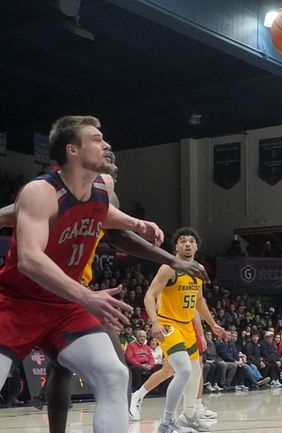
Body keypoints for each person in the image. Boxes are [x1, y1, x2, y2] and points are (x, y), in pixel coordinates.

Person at [0, 116, 164, 433]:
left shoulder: (103, 187)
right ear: (72, 150)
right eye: (97, 139)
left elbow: (103, 211)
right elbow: (29, 259)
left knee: (114, 375)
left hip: (63, 306)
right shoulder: (40, 192)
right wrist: (86, 296)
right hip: (16, 301)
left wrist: (134, 223)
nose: (107, 144)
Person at [144, 227, 225, 433]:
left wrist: (213, 324)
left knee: (195, 372)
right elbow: (149, 295)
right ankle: (166, 422)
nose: (187, 244)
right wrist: (154, 322)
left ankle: (188, 416)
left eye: (191, 241)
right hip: (168, 323)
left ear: (197, 246)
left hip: (186, 326)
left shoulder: (198, 269)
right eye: (182, 241)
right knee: (184, 370)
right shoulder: (169, 267)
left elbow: (199, 300)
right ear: (176, 246)